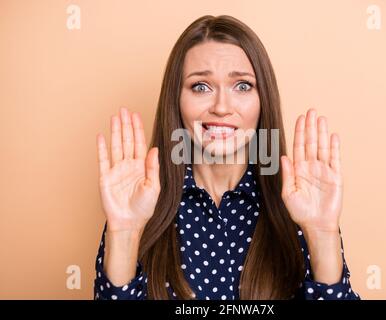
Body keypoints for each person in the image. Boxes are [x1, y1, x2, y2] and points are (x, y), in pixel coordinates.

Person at [94, 15, 360, 300]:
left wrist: (322, 234)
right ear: (177, 101)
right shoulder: (140, 206)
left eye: (242, 86)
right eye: (201, 87)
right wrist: (124, 232)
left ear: (262, 101)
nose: (221, 107)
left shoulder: (301, 204)